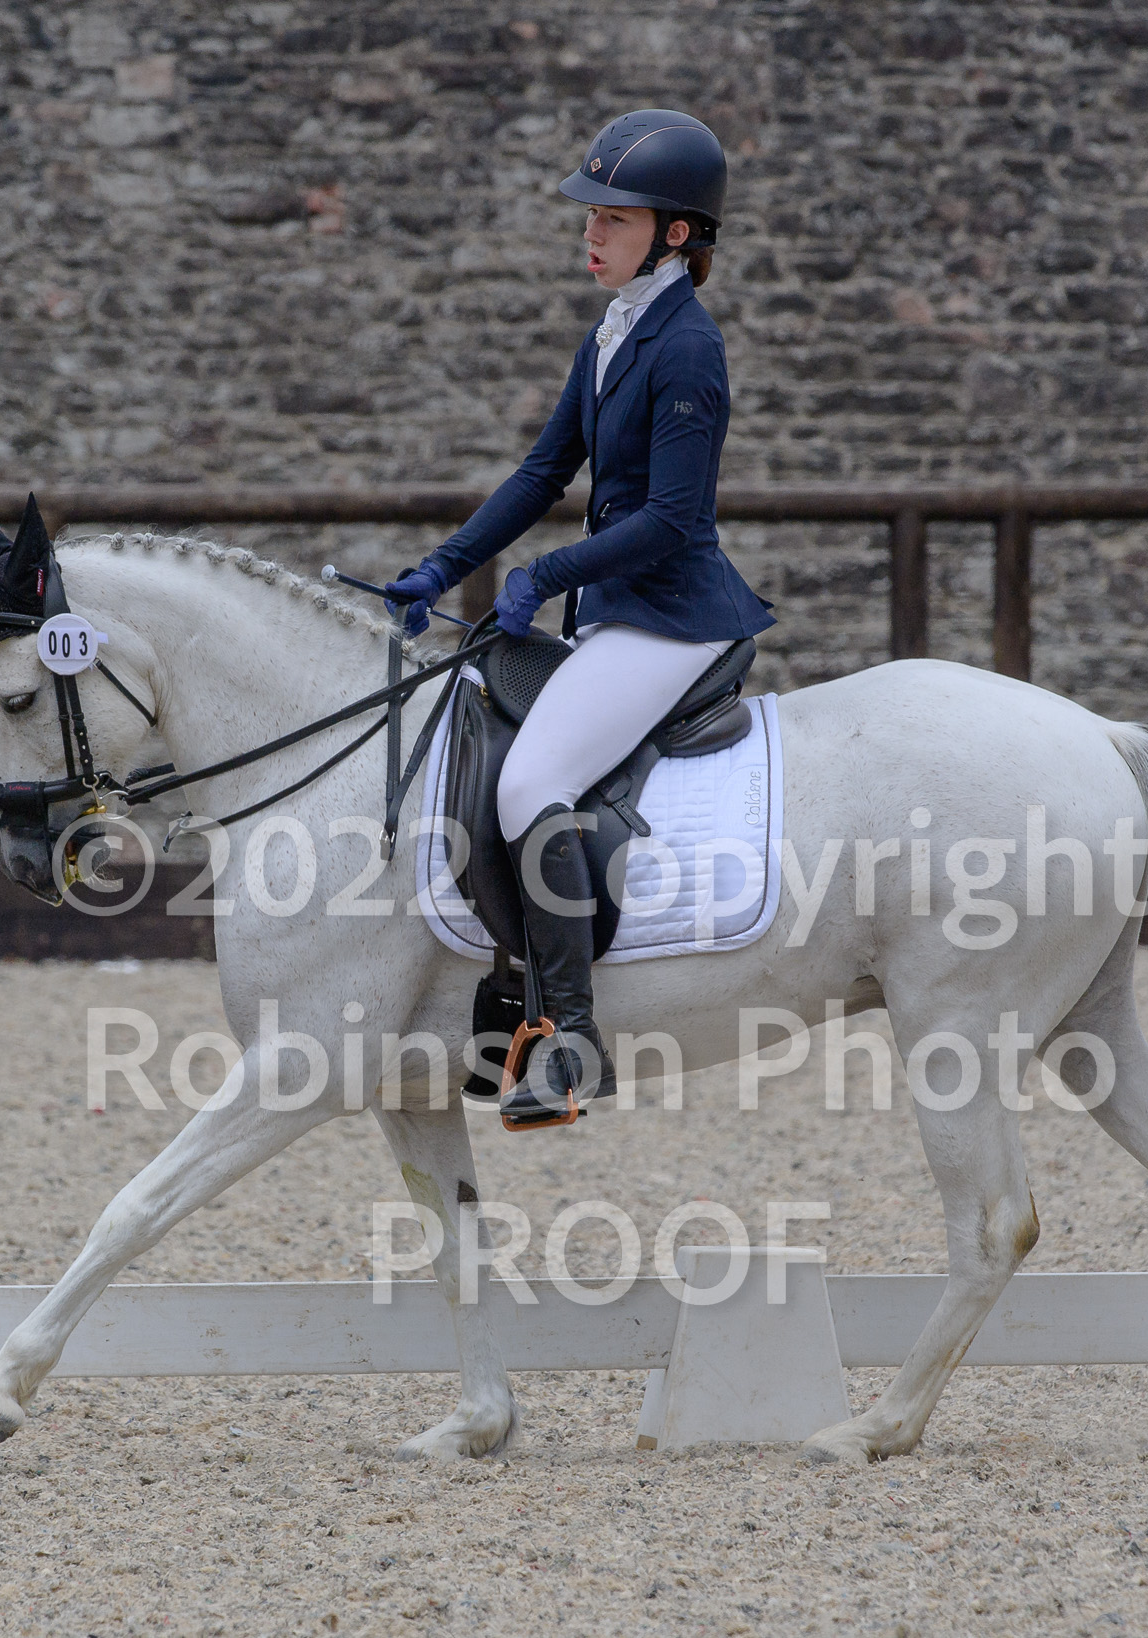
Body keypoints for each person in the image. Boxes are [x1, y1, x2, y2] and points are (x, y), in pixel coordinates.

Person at [384, 109, 775, 1125]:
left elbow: (673, 519)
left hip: (671, 617)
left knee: (530, 784)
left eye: (613, 218)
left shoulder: (687, 347)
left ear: (675, 233)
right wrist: (443, 567)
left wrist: (548, 571)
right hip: (614, 611)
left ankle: (569, 1041)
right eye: (589, 215)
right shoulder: (613, 331)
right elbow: (542, 471)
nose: (590, 232)